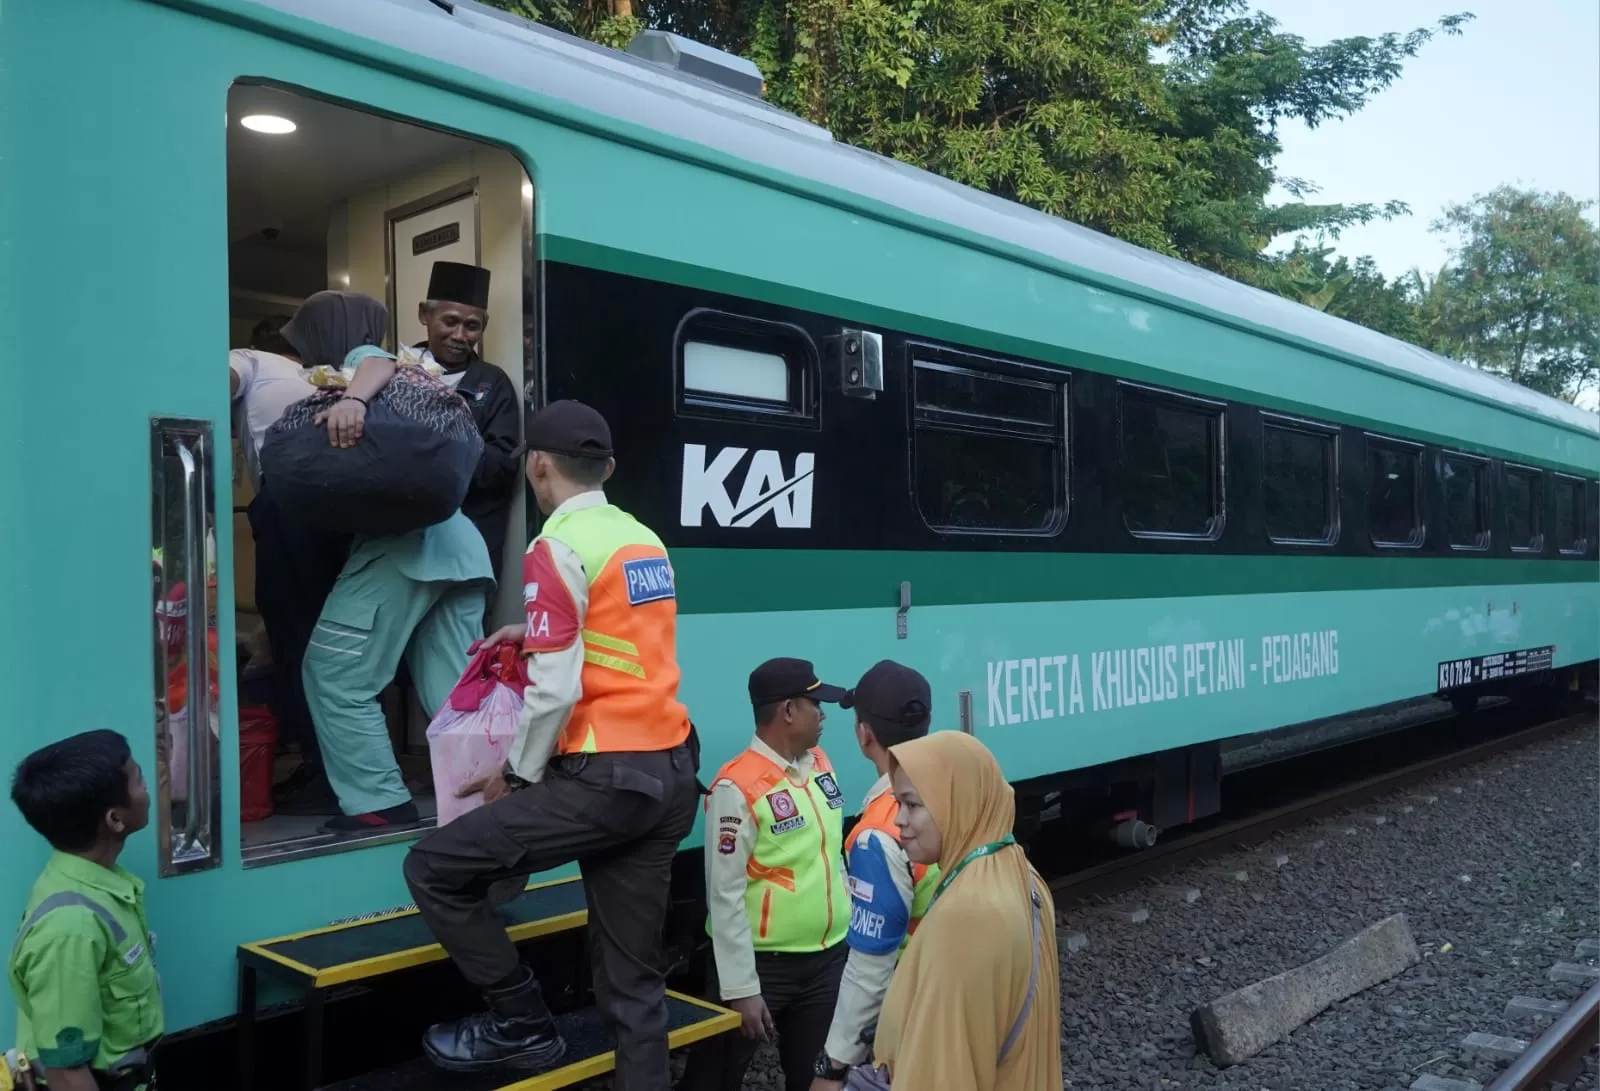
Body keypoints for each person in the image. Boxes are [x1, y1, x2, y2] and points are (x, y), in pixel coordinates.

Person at [401, 400, 701, 1088]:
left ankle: (521, 1019)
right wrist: (532, 635)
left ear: (536, 464)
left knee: (433, 868)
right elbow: (616, 639)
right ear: (609, 469)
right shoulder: (642, 537)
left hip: (605, 777)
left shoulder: (554, 545)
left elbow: (558, 689)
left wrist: (517, 772)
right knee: (632, 985)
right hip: (671, 772)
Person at [302, 342, 496, 833]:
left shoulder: (370, 370)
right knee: (455, 690)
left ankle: (377, 800)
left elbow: (380, 361)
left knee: (335, 674)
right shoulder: (428, 398)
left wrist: (351, 399)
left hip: (403, 549)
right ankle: (487, 801)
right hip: (461, 548)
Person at [230, 291, 384, 816]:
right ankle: (344, 771)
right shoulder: (334, 377)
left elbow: (205, 389)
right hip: (340, 514)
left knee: (297, 638)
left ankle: (324, 776)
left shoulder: (248, 361)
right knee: (337, 645)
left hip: (287, 506)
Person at [677, 658, 852, 1091]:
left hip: (826, 960)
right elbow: (724, 894)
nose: (824, 714)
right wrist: (740, 987)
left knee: (815, 1080)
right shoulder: (735, 788)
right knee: (714, 1079)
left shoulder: (821, 763)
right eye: (816, 704)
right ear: (788, 710)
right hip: (762, 967)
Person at [860, 732, 1061, 1091]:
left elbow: (944, 1071)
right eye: (898, 804)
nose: (899, 821)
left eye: (913, 805)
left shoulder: (968, 915)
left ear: (957, 802)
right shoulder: (1021, 873)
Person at [809, 661, 940, 1091]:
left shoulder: (878, 833)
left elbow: (869, 966)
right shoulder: (959, 791)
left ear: (864, 733)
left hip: (917, 1003)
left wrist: (834, 1064)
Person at [8, 731, 161, 1091]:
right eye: (138, 778)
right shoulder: (71, 927)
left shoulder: (100, 886)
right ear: (115, 819)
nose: (147, 787)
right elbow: (65, 1073)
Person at [411, 261, 523, 573]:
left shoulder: (492, 383)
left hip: (470, 544)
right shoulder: (395, 372)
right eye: (450, 321)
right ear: (424, 315)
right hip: (403, 539)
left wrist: (440, 445)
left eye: (472, 326)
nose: (460, 335)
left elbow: (503, 465)